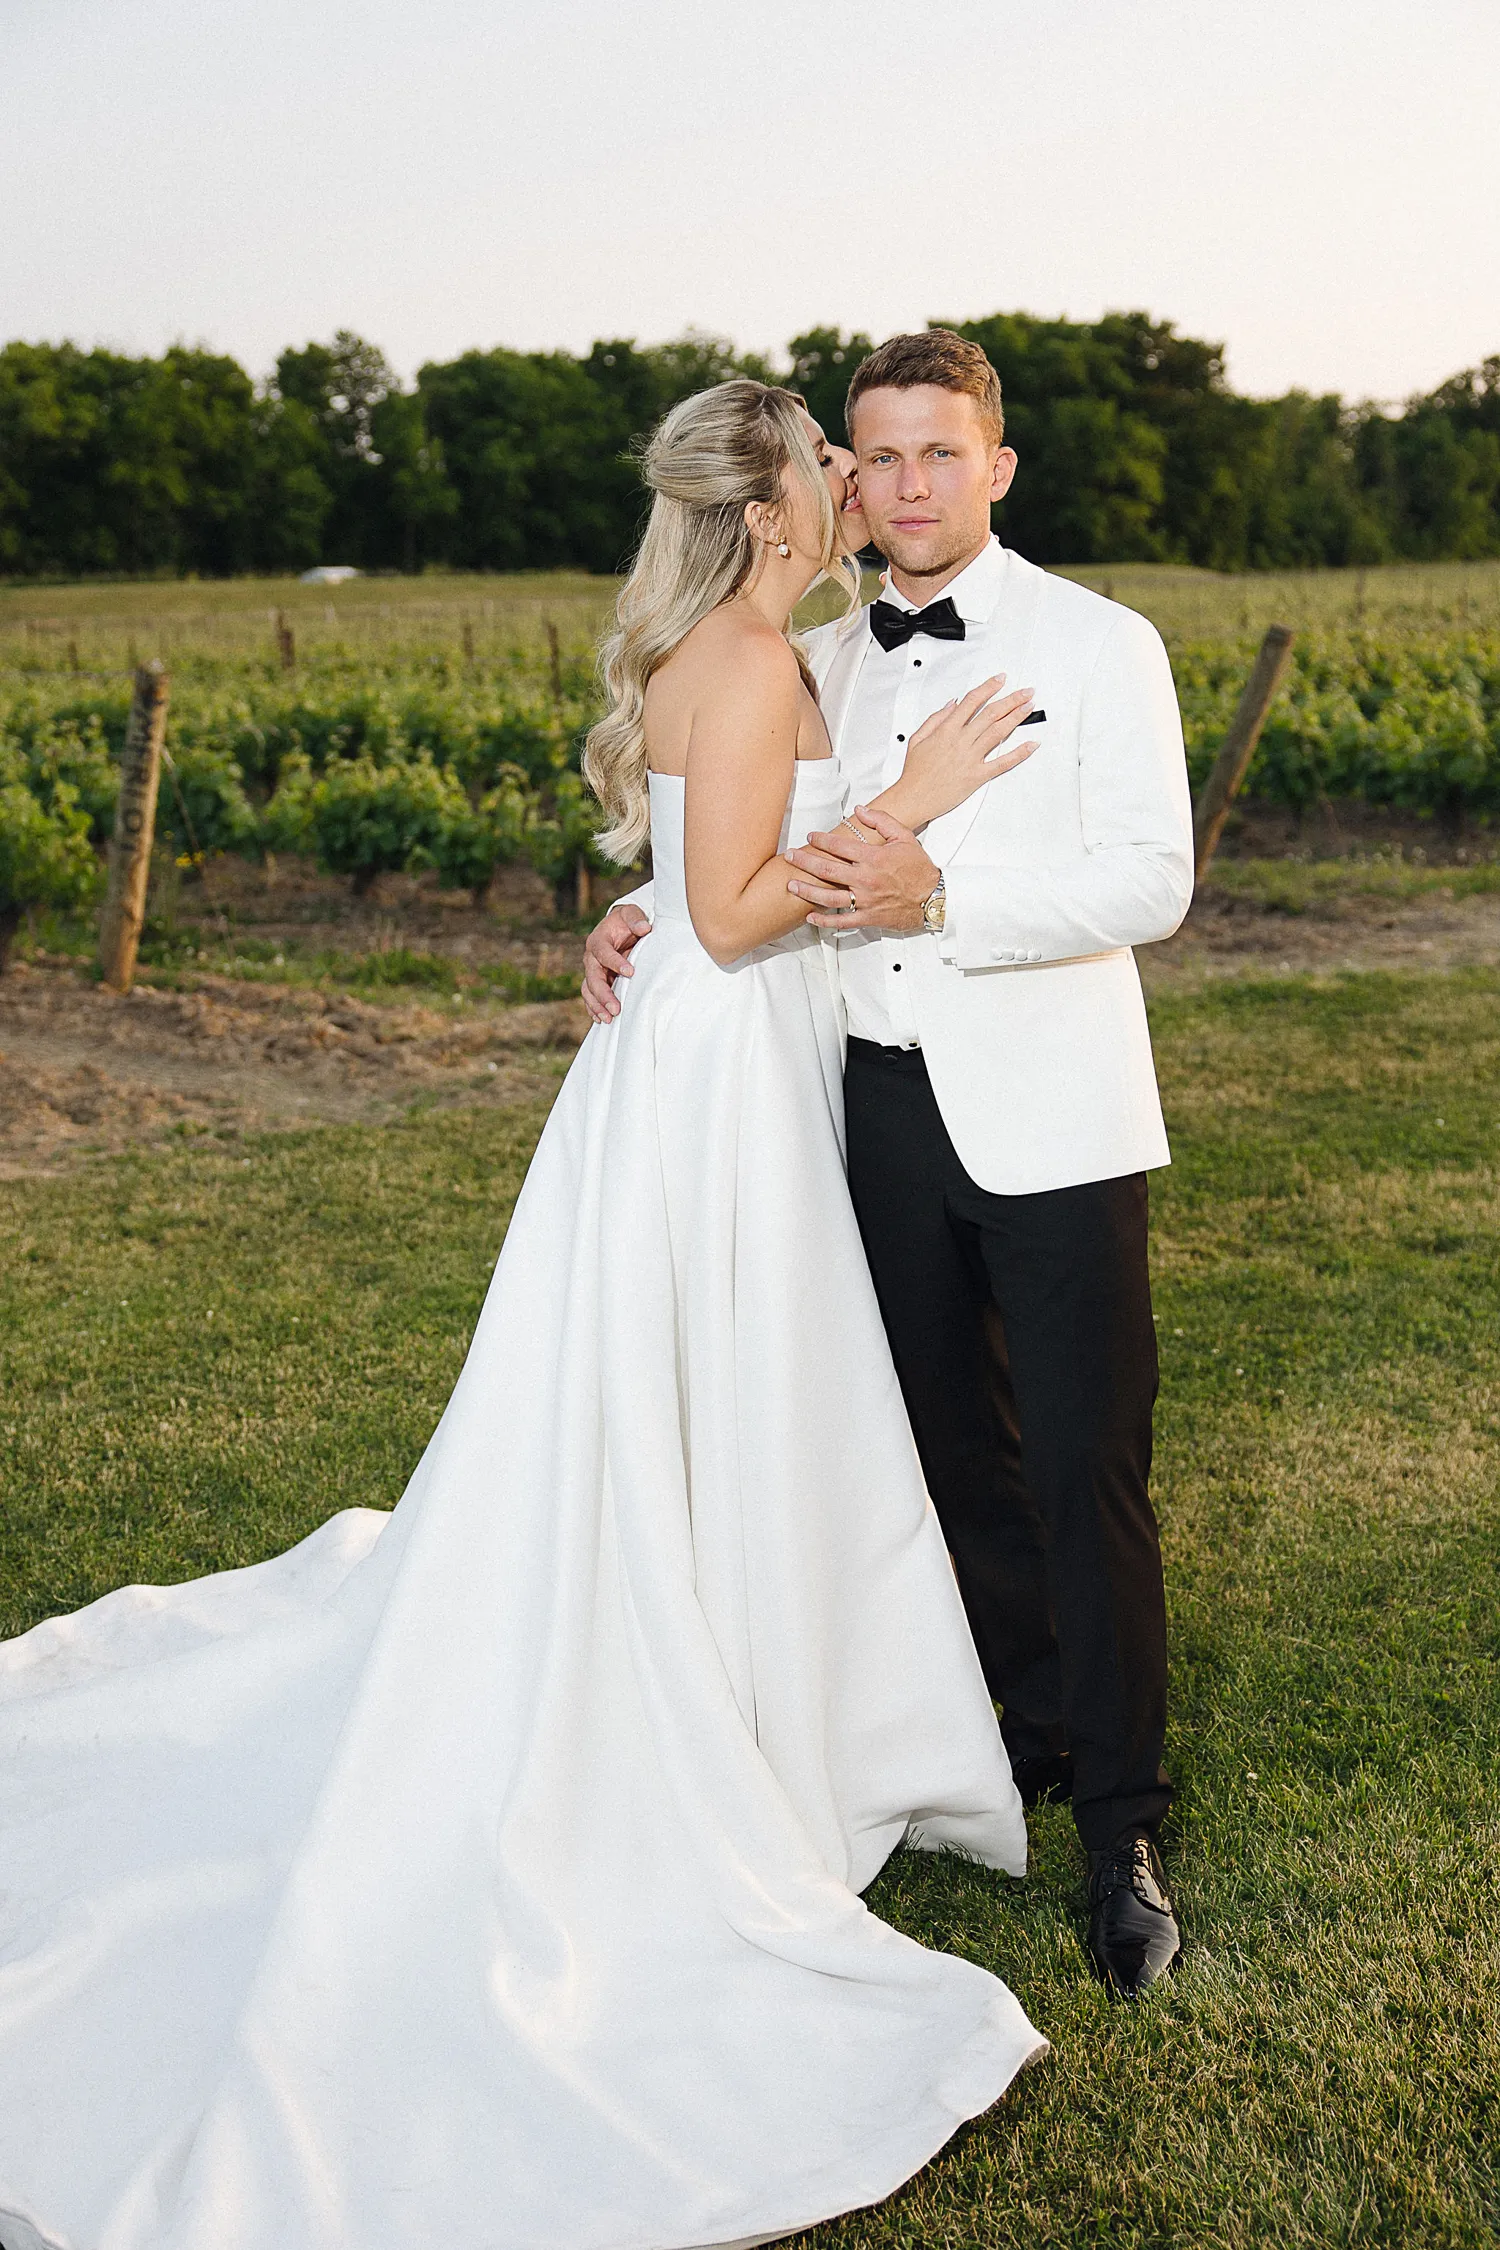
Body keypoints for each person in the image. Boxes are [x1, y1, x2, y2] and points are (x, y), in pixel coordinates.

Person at [0, 380, 1049, 2250]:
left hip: (715, 1063)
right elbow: (727, 918)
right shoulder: (742, 660)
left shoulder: (742, 644)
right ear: (779, 498)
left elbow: (676, 890)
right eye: (826, 451)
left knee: (715, 1398)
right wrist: (916, 800)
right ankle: (719, 1698)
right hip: (720, 1072)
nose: (845, 476)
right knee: (711, 1392)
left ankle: (765, 1661)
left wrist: (631, 910)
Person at [585, 330, 1196, 1998]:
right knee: (939, 1453)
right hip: (858, 1109)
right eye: (880, 455)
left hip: (1055, 1122)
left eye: (942, 452)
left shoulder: (1103, 641)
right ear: (842, 475)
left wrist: (949, 904)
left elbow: (1154, 882)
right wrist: (633, 914)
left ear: (998, 463)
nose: (909, 484)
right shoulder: (816, 654)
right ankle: (1034, 1726)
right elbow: (749, 850)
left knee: (1085, 1466)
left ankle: (1123, 1830)